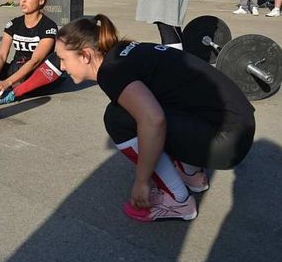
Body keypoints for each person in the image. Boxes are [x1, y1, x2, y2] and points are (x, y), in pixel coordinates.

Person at [55, 15, 255, 222]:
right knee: (150, 103)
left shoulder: (112, 72)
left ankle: (177, 201)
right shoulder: (124, 52)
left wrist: (141, 181)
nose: (62, 67)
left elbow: (154, 121)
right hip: (238, 127)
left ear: (85, 55)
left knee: (118, 118)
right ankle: (192, 174)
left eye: (63, 58)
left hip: (225, 141)